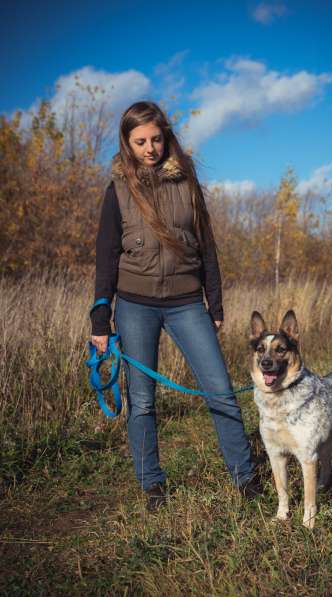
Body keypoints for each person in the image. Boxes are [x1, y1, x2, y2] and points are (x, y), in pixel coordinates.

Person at [90, 101, 257, 510]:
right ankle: (152, 486)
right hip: (134, 305)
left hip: (186, 303)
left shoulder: (187, 181)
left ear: (167, 137)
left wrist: (213, 304)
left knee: (221, 391)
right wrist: (100, 316)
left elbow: (207, 246)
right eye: (140, 142)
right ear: (127, 144)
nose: (150, 148)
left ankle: (247, 479)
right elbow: (107, 255)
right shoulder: (118, 190)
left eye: (156, 139)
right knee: (142, 401)